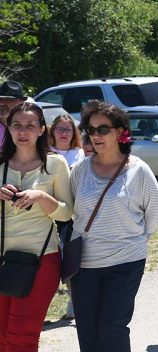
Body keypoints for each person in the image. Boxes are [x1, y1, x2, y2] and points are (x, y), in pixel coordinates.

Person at [70, 100, 158, 352]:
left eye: (103, 129)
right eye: (91, 130)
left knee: (112, 326)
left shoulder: (139, 170)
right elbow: (73, 211)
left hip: (126, 262)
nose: (96, 136)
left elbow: (154, 215)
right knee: (87, 328)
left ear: (120, 131)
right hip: (85, 264)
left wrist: (133, 241)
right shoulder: (80, 170)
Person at [0, 102, 73, 352]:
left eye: (31, 125)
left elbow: (66, 214)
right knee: (2, 335)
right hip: (3, 259)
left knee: (22, 335)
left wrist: (42, 197)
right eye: (17, 125)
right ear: (8, 128)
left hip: (41, 260)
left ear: (42, 130)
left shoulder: (55, 163)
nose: (23, 131)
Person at [48, 114, 85, 320]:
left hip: (71, 217)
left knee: (70, 262)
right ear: (52, 132)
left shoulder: (79, 154)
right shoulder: (44, 153)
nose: (63, 133)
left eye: (68, 129)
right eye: (59, 129)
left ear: (74, 132)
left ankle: (73, 301)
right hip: (46, 215)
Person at [0, 80, 26, 147]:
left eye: (9, 100)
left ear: (21, 103)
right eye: (0, 99)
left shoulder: (29, 125)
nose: (2, 103)